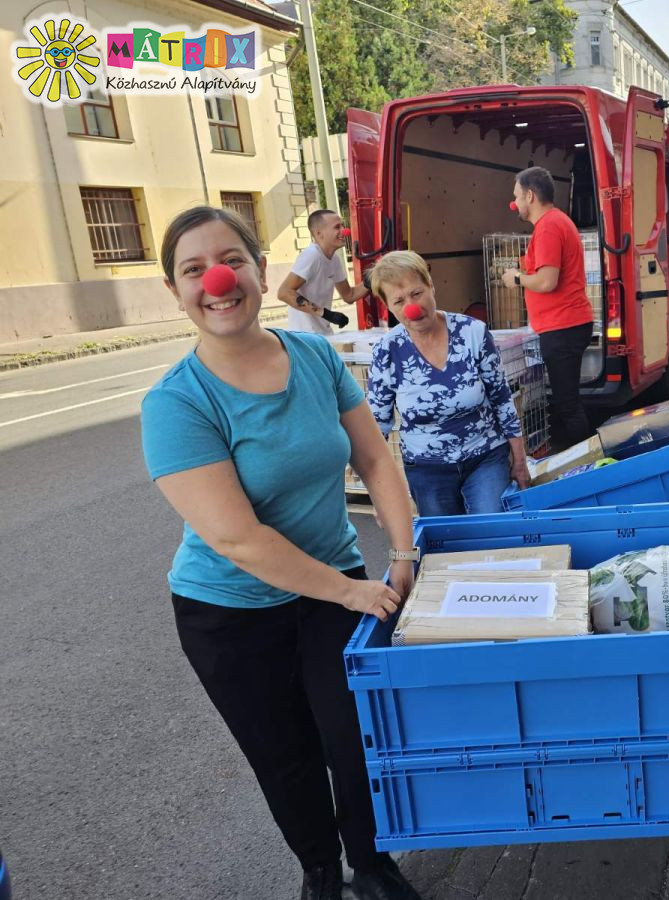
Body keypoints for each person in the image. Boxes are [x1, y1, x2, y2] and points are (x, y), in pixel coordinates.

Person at [140, 206, 421, 900]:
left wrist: (405, 553)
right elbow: (236, 536)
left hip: (334, 590)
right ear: (175, 291)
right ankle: (320, 874)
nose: (218, 279)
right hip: (229, 614)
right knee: (287, 760)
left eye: (232, 260)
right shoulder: (176, 403)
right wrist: (353, 590)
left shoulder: (316, 357)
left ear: (261, 271)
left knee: (356, 743)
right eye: (194, 269)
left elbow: (377, 462)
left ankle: (373, 865)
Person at [367, 250, 530, 516]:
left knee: (495, 535)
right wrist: (379, 493)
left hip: (485, 456)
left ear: (431, 285)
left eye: (417, 293)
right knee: (447, 547)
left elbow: (501, 399)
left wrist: (520, 462)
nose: (411, 306)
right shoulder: (387, 350)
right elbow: (377, 426)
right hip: (426, 468)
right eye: (399, 301)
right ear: (388, 306)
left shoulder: (473, 332)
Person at [500, 166, 595, 452]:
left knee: (567, 404)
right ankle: (584, 459)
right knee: (567, 400)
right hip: (564, 324)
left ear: (530, 195)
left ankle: (587, 464)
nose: (514, 202)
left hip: (563, 326)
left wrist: (515, 278)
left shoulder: (549, 227)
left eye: (517, 196)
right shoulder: (555, 223)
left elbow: (546, 281)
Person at [277, 208, 369, 334]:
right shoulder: (311, 255)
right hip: (305, 336)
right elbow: (284, 292)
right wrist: (326, 314)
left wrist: (371, 281)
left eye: (342, 225)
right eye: (337, 227)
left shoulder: (334, 260)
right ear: (319, 233)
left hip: (323, 334)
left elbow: (349, 295)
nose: (344, 231)